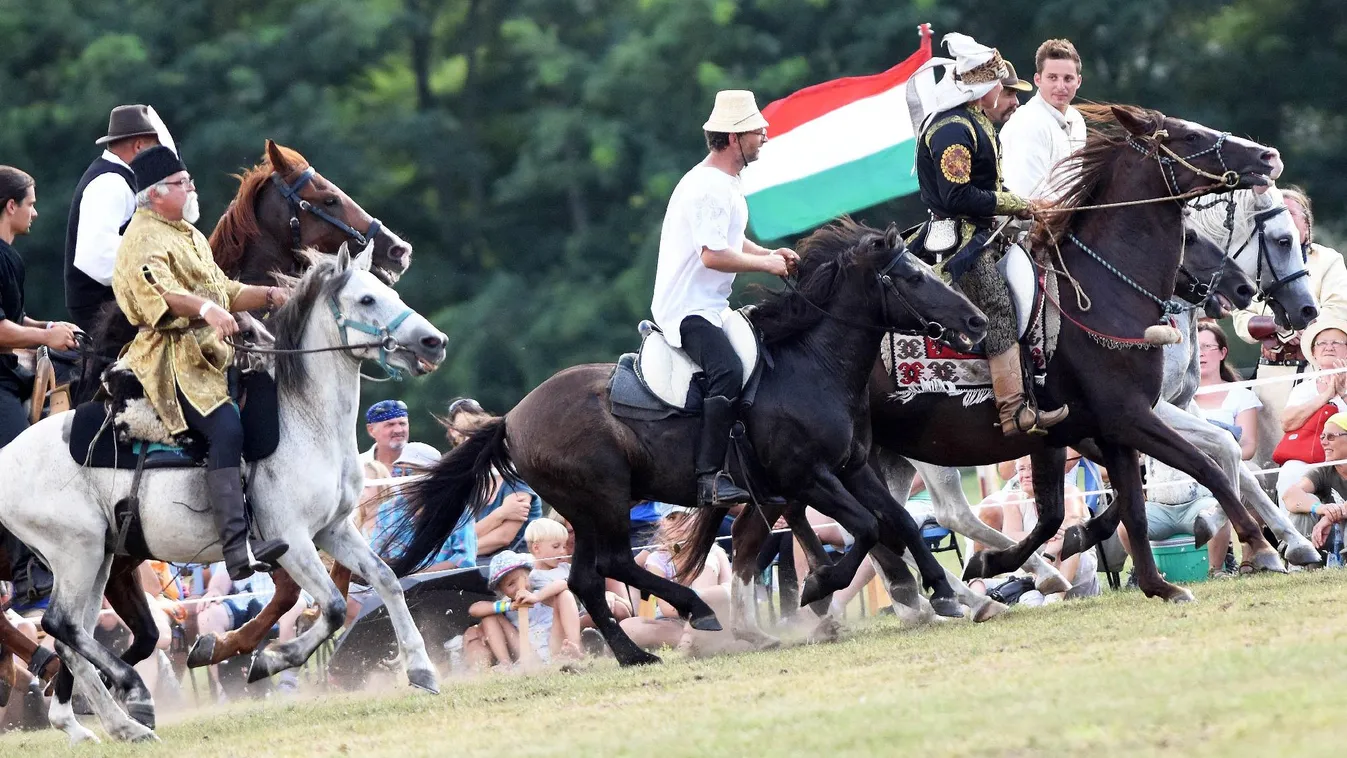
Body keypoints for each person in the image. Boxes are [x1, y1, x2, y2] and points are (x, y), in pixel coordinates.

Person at [111, 145, 290, 581]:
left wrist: (269, 294)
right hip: (169, 361)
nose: (192, 188)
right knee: (226, 427)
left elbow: (224, 289)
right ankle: (236, 547)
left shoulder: (187, 233)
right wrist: (206, 310)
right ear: (155, 194)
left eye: (188, 180)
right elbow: (160, 294)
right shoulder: (141, 239)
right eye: (181, 183)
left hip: (213, 354)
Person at [906, 33, 1066, 436]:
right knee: (995, 305)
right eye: (1006, 92)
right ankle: (1013, 413)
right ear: (987, 90)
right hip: (959, 240)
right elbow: (957, 195)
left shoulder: (974, 124)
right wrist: (1020, 204)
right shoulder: (951, 130)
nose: (1014, 101)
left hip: (980, 232)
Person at [651, 89, 798, 507]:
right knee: (728, 372)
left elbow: (732, 241)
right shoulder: (708, 186)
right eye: (757, 130)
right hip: (687, 311)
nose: (765, 134)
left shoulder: (725, 181)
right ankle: (709, 478)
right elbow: (713, 255)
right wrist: (768, 266)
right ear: (734, 138)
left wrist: (769, 254)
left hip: (712, 307)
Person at [0, 166, 82, 618]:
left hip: (8, 376)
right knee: (20, 463)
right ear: (11, 206)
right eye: (30, 203)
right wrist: (44, 340)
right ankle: (29, 578)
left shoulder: (8, 255)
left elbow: (15, 317)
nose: (36, 211)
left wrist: (48, 327)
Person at [1232, 186, 1347, 464]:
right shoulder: (1257, 265)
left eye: (1290, 212)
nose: (1282, 219)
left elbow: (1338, 307)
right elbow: (1242, 318)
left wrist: (1307, 333)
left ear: (1307, 223)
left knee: (1315, 449)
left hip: (1316, 369)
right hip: (1271, 373)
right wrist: (1282, 327)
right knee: (1267, 455)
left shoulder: (1328, 259)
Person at [65, 104, 169, 334]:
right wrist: (157, 284)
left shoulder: (118, 179)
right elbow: (97, 259)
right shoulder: (110, 183)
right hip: (104, 310)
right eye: (156, 148)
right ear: (140, 146)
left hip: (115, 304)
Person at [971, 456, 1098, 602]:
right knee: (978, 582)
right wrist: (1043, 535)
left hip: (1074, 578)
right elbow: (1009, 537)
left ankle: (1056, 598)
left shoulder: (1069, 492)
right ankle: (976, 603)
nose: (1025, 474)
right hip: (1032, 579)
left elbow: (1070, 525)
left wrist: (1048, 555)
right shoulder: (1013, 500)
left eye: (1031, 468)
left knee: (1071, 537)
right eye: (1021, 469)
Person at [999, 39, 1087, 199]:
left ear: (1078, 81)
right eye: (1052, 78)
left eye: (1068, 79)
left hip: (1068, 219)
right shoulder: (1028, 122)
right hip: (1023, 221)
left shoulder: (1077, 120)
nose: (1061, 86)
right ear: (1037, 80)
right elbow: (1031, 195)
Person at [463, 550, 581, 668]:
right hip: (528, 654)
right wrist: (510, 606)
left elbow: (564, 584)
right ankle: (505, 664)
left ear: (529, 577)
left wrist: (536, 597)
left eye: (523, 579)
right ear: (502, 590)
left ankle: (575, 646)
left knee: (564, 595)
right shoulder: (506, 605)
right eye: (510, 584)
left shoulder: (541, 595)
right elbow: (474, 609)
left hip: (554, 646)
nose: (519, 586)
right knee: (489, 617)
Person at [371, 442, 477, 571]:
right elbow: (375, 556)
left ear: (432, 476)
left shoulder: (458, 510)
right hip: (398, 586)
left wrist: (417, 575)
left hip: (444, 586)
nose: (403, 478)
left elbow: (465, 559)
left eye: (409, 472)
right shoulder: (387, 509)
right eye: (398, 472)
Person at [1274, 317, 1347, 500]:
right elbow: (1287, 423)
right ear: (1314, 353)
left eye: (1336, 343)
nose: (1328, 347)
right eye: (1322, 343)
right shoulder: (1303, 388)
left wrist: (1343, 395)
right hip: (1307, 459)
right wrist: (1326, 396)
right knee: (1290, 473)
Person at [1193, 321, 1262, 460]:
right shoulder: (1178, 396)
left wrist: (1217, 462)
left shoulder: (1242, 396)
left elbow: (1248, 445)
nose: (1200, 353)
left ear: (1222, 353)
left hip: (1228, 465)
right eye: (1195, 347)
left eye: (1207, 346)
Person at [1282, 413, 1347, 558]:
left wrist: (1331, 516)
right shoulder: (1323, 471)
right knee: (1302, 510)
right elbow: (1290, 495)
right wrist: (1320, 508)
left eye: (1331, 437)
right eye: (1322, 437)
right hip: (1325, 538)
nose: (1324, 442)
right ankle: (1301, 564)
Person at [360, 399, 409, 468]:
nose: (398, 430)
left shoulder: (424, 460)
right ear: (371, 430)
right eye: (390, 425)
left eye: (402, 424)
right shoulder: (358, 465)